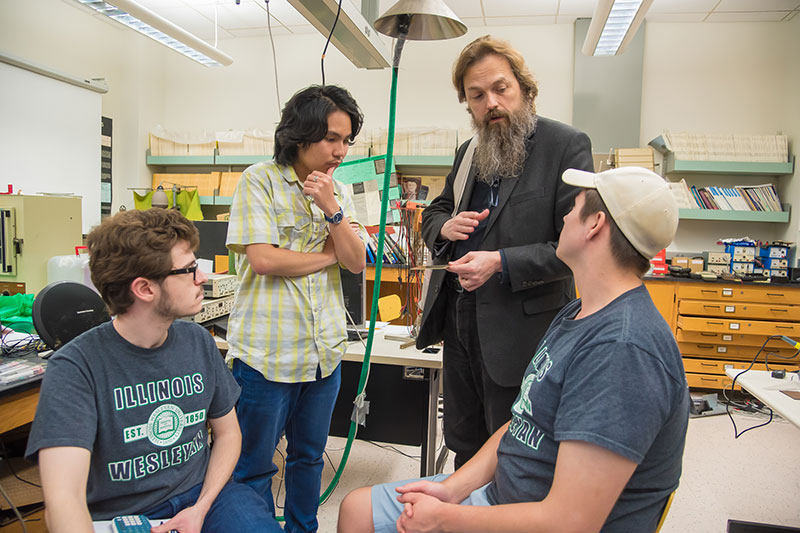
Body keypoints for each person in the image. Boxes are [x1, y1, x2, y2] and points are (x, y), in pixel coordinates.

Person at [338, 166, 690, 533]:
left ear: (595, 224)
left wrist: (446, 519)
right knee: (356, 510)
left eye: (574, 207)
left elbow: (571, 521)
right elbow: (522, 422)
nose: (565, 215)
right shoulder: (579, 313)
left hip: (536, 520)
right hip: (504, 495)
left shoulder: (622, 350)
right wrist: (452, 490)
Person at [25, 208, 280, 533]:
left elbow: (229, 435)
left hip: (204, 496)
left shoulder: (199, 341)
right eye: (189, 270)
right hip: (123, 514)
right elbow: (64, 500)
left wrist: (201, 509)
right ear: (145, 289)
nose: (201, 278)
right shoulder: (76, 368)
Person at [415, 35, 594, 468]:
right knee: (464, 443)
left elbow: (578, 246)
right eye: (477, 95)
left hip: (523, 333)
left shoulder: (565, 147)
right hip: (460, 327)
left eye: (501, 89)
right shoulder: (470, 151)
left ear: (525, 89)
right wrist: (445, 225)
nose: (490, 102)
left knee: (516, 450)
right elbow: (436, 211)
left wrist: (500, 262)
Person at [225, 84, 367, 532]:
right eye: (331, 138)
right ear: (300, 134)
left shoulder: (337, 191)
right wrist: (327, 256)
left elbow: (357, 261)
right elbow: (264, 259)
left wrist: (331, 209)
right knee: (253, 466)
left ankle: (303, 529)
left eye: (346, 140)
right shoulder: (259, 179)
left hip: (323, 354)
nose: (340, 150)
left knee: (308, 459)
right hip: (266, 356)